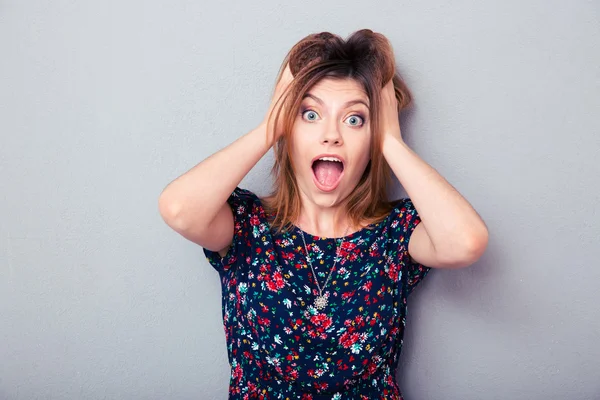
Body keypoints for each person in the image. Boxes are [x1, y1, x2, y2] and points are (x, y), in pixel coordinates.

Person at [159, 29, 488, 400]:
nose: (331, 135)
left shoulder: (396, 233)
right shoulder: (246, 224)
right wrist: (272, 125)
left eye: (355, 120)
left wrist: (391, 141)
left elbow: (465, 242)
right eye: (310, 114)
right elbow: (179, 209)